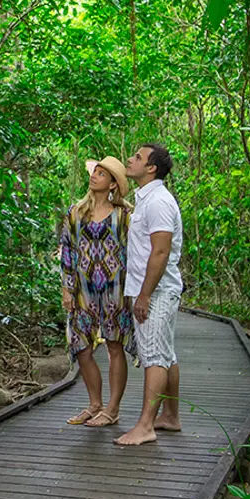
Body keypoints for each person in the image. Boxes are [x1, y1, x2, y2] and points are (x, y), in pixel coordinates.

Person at [115, 142, 184, 447]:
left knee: (154, 356)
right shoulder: (147, 199)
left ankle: (145, 426)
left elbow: (160, 251)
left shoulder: (158, 201)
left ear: (151, 168)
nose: (130, 160)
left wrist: (143, 296)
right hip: (155, 290)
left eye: (138, 157)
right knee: (166, 353)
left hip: (155, 292)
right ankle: (170, 415)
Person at [59, 156, 136, 428]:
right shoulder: (75, 212)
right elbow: (66, 251)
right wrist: (66, 289)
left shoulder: (125, 215)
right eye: (95, 172)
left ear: (113, 184)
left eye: (102, 174)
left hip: (116, 289)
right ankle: (95, 404)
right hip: (83, 290)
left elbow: (136, 253)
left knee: (115, 346)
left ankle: (112, 409)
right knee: (81, 346)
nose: (95, 176)